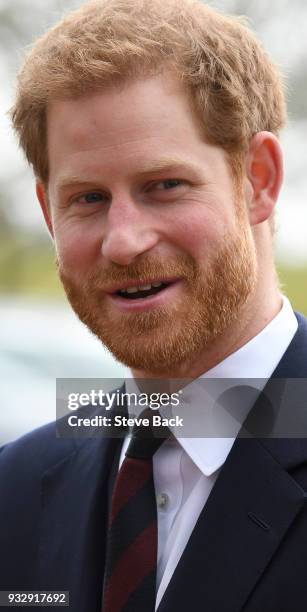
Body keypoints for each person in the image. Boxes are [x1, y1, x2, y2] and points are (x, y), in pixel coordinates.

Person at [1, 0, 307, 610]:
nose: (124, 240)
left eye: (164, 186)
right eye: (87, 198)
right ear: (46, 212)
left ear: (259, 180)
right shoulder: (16, 488)